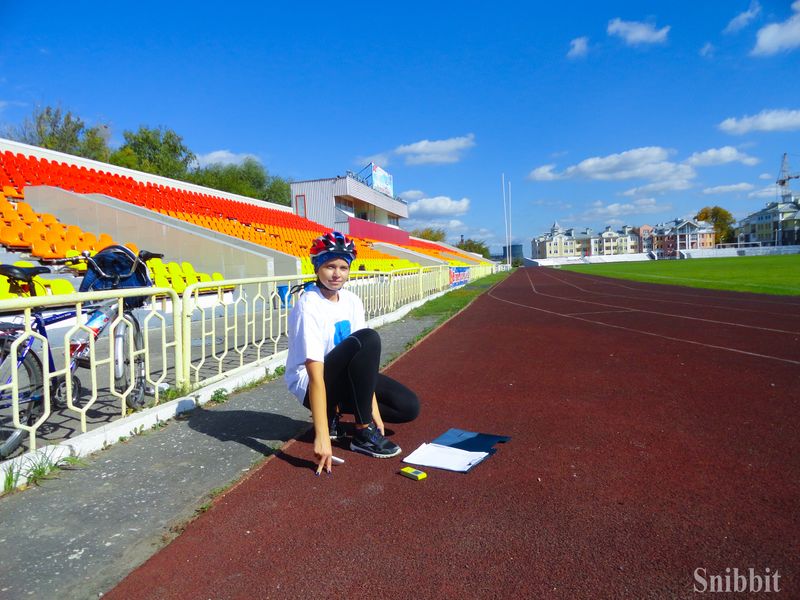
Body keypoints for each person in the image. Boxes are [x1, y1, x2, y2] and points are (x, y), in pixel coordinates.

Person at [285, 232, 420, 475]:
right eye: (329, 266)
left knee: (407, 407)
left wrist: (373, 410)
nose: (337, 274)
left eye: (343, 267)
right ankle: (359, 432)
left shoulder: (352, 300)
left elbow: (361, 363)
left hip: (343, 378)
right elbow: (315, 374)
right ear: (317, 267)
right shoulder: (309, 305)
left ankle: (340, 413)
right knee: (368, 337)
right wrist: (322, 435)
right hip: (310, 384)